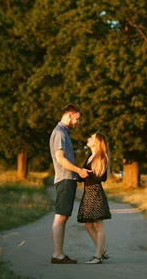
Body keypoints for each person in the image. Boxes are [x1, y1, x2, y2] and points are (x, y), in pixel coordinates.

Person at [49, 103, 90, 264]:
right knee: (60, 217)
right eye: (77, 119)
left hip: (67, 179)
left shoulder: (63, 133)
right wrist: (79, 170)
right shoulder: (59, 133)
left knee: (62, 217)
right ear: (69, 114)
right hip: (65, 179)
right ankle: (57, 255)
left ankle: (58, 254)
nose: (77, 123)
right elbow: (60, 159)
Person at [77, 132, 112, 264]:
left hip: (96, 194)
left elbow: (101, 178)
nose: (88, 138)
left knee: (98, 227)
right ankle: (102, 251)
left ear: (97, 142)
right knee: (87, 225)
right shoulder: (90, 157)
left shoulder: (101, 157)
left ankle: (98, 256)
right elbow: (82, 176)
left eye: (91, 137)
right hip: (87, 194)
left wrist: (87, 174)